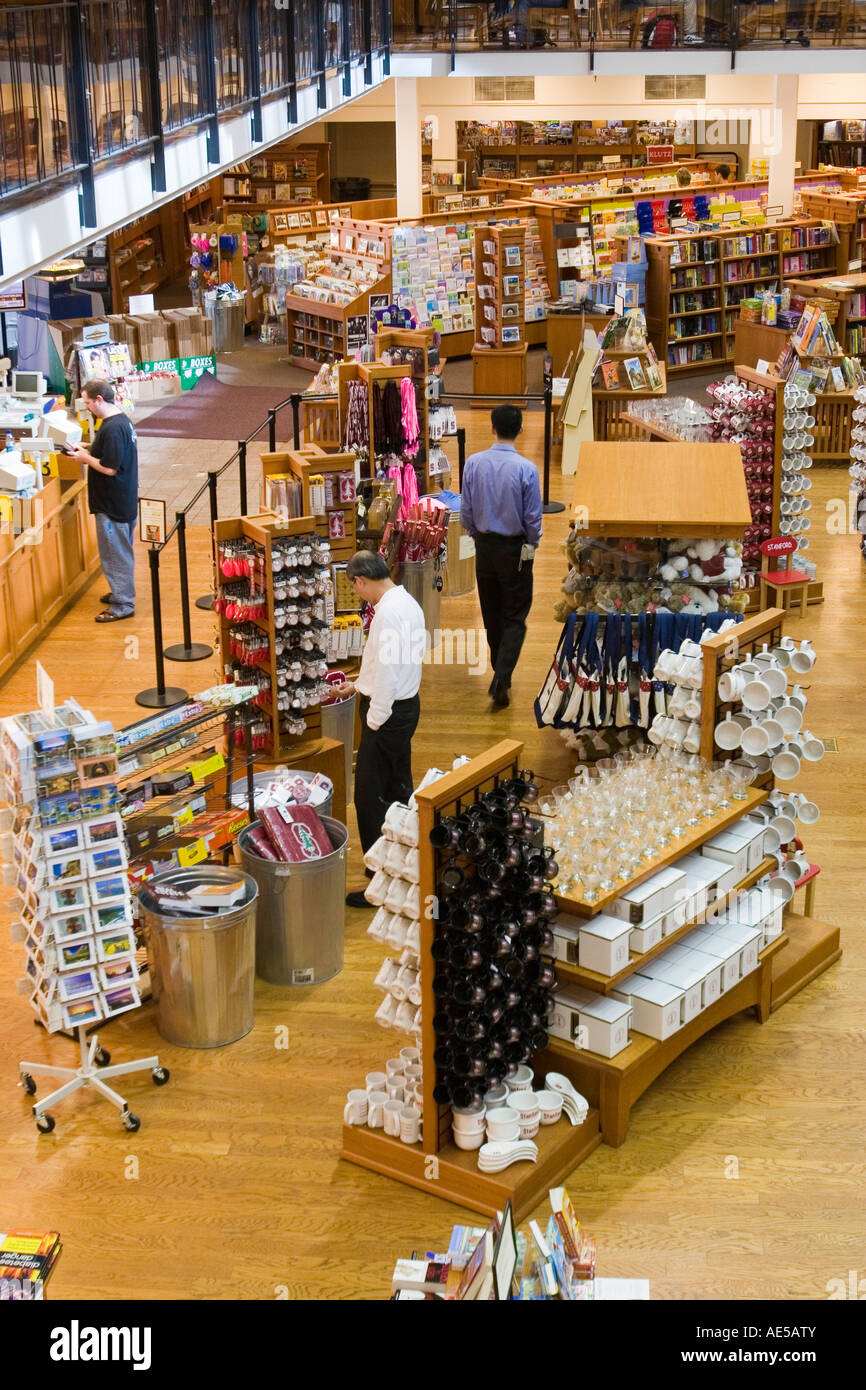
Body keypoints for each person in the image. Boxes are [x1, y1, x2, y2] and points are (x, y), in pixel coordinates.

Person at [330, 551, 425, 908]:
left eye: (356, 589)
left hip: (387, 715)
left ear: (360, 581)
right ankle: (405, 866)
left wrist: (372, 721)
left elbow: (386, 674)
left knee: (370, 798)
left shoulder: (386, 614)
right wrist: (356, 685)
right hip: (405, 708)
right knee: (399, 790)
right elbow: (392, 663)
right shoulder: (407, 602)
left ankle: (381, 880)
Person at [460, 403, 542, 708]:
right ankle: (502, 676)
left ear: (492, 428)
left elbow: (465, 509)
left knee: (491, 612)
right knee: (516, 614)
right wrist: (532, 543)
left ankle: (500, 672)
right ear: (521, 429)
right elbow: (533, 517)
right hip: (514, 550)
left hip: (483, 547)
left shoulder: (473, 463)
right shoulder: (526, 469)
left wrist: (474, 533)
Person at [70, 379, 138, 623]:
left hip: (112, 503)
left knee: (114, 553)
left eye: (88, 402)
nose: (87, 407)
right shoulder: (121, 421)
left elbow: (109, 468)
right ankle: (121, 592)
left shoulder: (110, 428)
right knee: (122, 550)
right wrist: (90, 447)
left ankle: (123, 604)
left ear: (99, 400)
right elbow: (113, 452)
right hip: (125, 499)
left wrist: (85, 458)